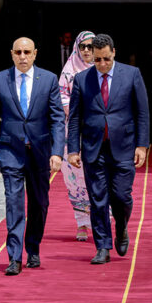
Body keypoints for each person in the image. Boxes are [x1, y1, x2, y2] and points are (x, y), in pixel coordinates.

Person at [0, 37, 65, 275]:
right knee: (14, 203)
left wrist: (57, 152)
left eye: (27, 52)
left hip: (40, 153)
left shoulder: (48, 79)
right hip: (10, 151)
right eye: (18, 52)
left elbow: (57, 119)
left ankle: (33, 247)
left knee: (39, 204)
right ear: (12, 54)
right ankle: (14, 257)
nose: (22, 57)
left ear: (35, 54)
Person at [67, 34, 150, 265]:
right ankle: (102, 246)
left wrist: (142, 146)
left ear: (114, 52)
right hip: (94, 148)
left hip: (124, 147)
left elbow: (142, 113)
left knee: (121, 196)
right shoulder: (82, 79)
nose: (102, 64)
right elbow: (74, 118)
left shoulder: (132, 74)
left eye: (106, 59)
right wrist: (72, 149)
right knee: (98, 199)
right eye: (97, 60)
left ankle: (121, 227)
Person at [58, 30, 96, 241]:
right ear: (77, 48)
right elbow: (62, 95)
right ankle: (82, 222)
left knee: (98, 175)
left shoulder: (102, 67)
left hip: (97, 131)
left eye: (91, 46)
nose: (87, 50)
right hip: (73, 130)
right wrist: (76, 113)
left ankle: (100, 221)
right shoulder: (69, 70)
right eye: (83, 46)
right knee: (74, 177)